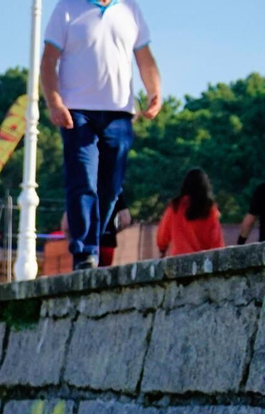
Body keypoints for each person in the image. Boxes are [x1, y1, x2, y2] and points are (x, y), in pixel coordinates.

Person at [41, 0, 162, 271]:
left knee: (110, 188)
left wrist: (154, 91)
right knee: (82, 180)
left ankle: (92, 240)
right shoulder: (67, 8)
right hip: (77, 112)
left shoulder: (130, 10)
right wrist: (53, 102)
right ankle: (84, 251)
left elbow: (144, 57)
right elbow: (49, 60)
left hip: (119, 112)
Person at [157, 168, 225, 258]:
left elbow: (162, 235)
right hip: (203, 263)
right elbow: (217, 242)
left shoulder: (175, 207)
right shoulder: (209, 209)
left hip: (179, 262)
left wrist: (162, 249)